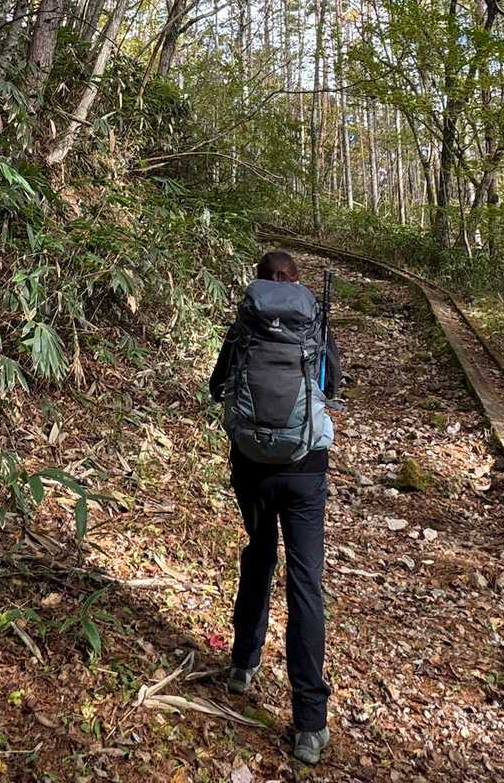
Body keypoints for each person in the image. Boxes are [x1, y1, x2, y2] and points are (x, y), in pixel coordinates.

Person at [209, 249, 342, 766]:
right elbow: (332, 387)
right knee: (305, 581)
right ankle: (309, 723)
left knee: (259, 555)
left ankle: (243, 663)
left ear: (260, 281)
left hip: (251, 466)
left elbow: (218, 385)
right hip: (305, 469)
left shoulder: (246, 324)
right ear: (297, 282)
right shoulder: (314, 321)